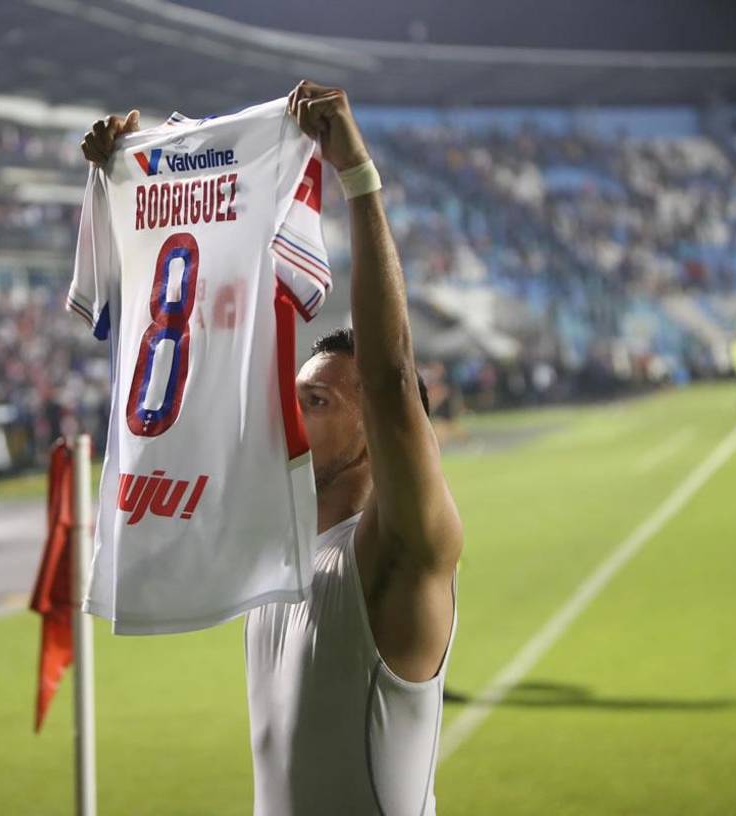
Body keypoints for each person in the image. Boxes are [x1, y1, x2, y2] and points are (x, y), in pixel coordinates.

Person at [81, 80, 463, 814]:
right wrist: (138, 177)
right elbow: (190, 326)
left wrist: (358, 178)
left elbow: (390, 377)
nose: (290, 410)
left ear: (377, 434)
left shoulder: (401, 552)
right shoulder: (270, 544)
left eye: (317, 401)